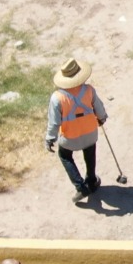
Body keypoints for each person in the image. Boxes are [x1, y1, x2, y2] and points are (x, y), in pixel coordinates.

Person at [45, 58, 108, 203]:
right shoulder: (89, 90)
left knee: (65, 156)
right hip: (90, 132)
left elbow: (54, 122)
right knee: (90, 154)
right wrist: (102, 118)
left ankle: (80, 187)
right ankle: (92, 180)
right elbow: (99, 108)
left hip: (70, 137)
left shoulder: (57, 98)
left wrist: (50, 138)